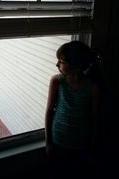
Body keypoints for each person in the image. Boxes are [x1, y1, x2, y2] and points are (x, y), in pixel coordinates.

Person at [45, 40, 101, 179]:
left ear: (76, 66)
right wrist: (48, 142)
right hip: (58, 142)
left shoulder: (92, 87)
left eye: (61, 61)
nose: (57, 64)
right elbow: (49, 112)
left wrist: (91, 147)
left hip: (80, 145)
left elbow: (95, 118)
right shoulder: (57, 81)